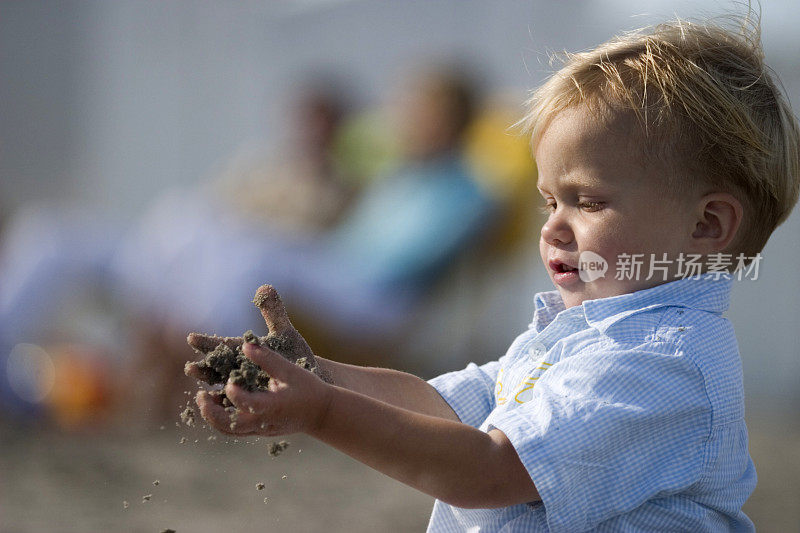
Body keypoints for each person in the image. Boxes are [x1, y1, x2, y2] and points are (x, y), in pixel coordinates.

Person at [162, 15, 800, 530]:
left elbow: (487, 472)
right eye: (551, 201)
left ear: (708, 226)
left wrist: (325, 413)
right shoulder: (579, 337)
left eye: (590, 201)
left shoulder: (664, 363)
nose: (552, 226)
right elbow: (444, 410)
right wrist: (317, 373)